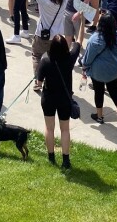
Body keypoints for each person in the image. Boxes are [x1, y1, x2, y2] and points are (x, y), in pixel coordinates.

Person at [36, 34, 80, 170]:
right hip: (64, 99)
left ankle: (51, 157)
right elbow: (78, 41)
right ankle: (66, 160)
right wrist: (82, 21)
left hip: (48, 97)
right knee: (65, 129)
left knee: (49, 128)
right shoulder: (70, 58)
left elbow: (39, 82)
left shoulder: (45, 59)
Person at [80, 14, 117, 125]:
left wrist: (84, 68)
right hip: (114, 71)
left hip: (98, 72)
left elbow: (88, 58)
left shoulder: (94, 39)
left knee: (99, 92)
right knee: (114, 91)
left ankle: (100, 116)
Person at [29, 0, 71, 90]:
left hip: (41, 35)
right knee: (54, 59)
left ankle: (38, 82)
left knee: (36, 56)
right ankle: (53, 80)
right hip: (56, 37)